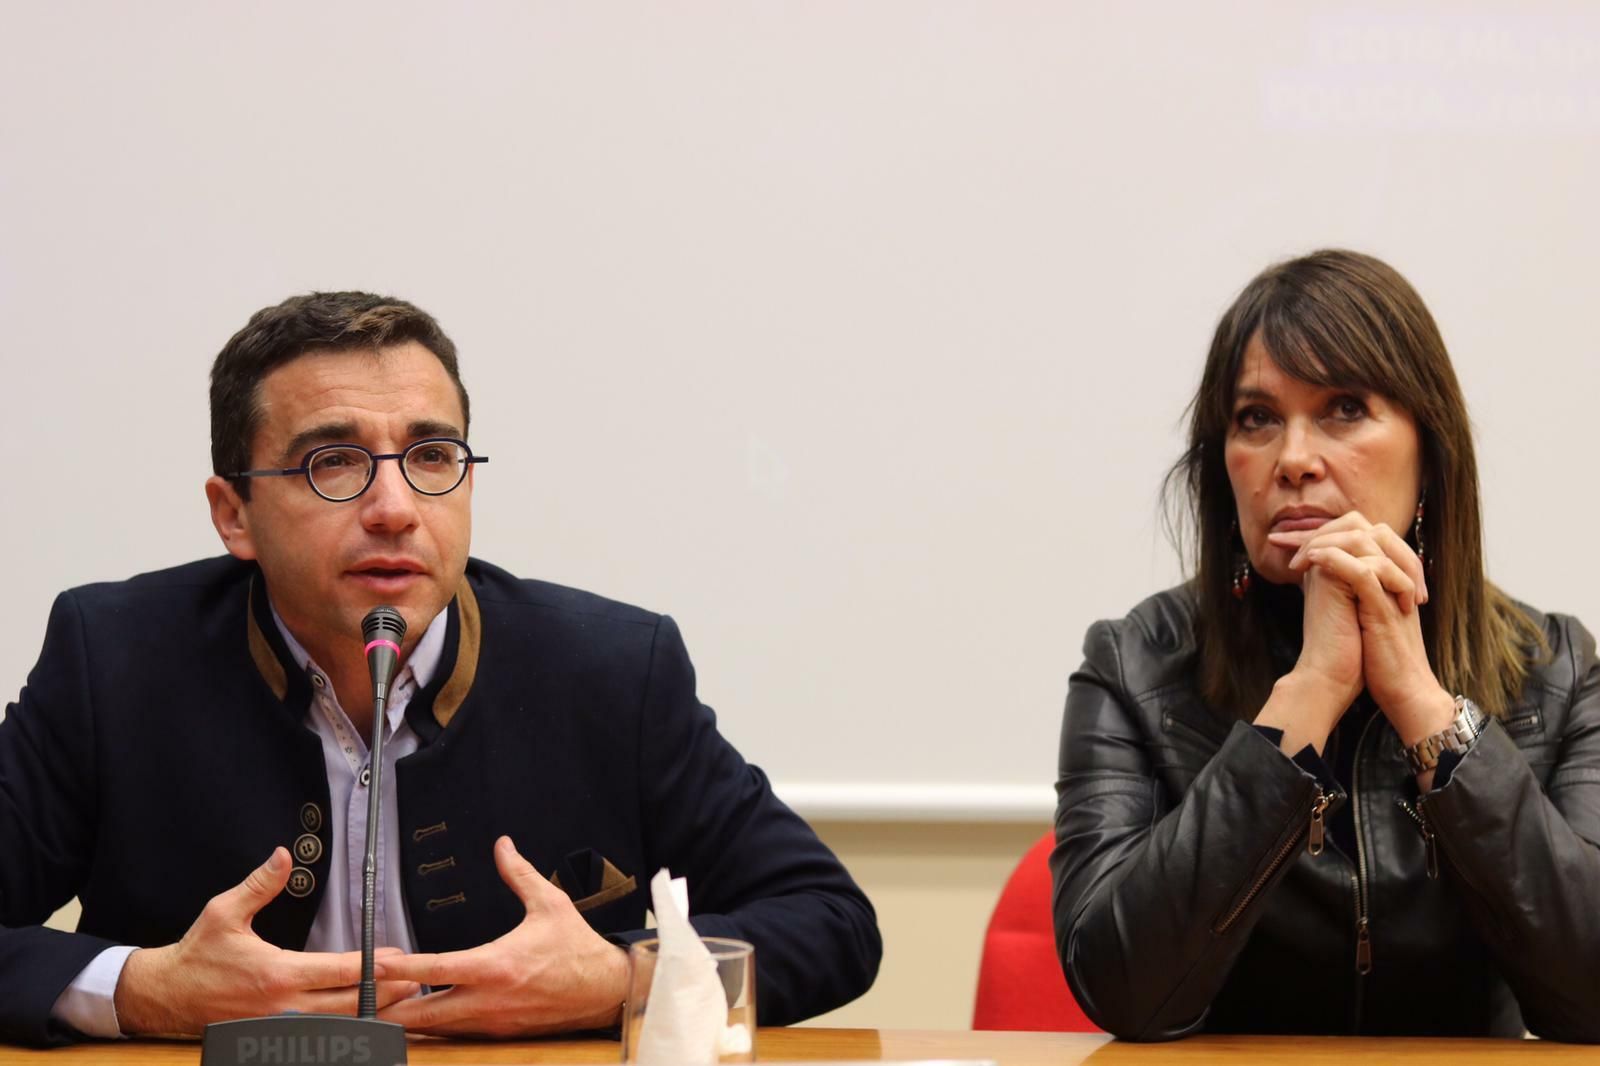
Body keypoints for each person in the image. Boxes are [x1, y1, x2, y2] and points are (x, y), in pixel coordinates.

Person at [0, 292, 881, 1046]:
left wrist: (619, 978)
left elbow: (831, 923)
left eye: (431, 457)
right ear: (235, 515)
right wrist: (144, 991)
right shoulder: (112, 660)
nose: (394, 509)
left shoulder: (611, 671)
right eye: (333, 462)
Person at [1050, 250, 1600, 1042]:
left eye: (1344, 408)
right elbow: (1122, 990)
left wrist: (1422, 705)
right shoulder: (1134, 664)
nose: (1295, 459)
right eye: (1257, 419)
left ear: (1429, 450)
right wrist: (1305, 699)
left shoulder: (1557, 667)